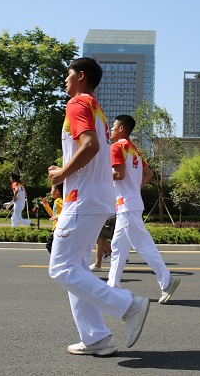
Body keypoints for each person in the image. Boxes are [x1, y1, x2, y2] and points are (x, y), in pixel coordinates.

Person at [47, 57, 149, 356]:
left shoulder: (78, 104)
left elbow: (89, 146)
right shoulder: (97, 110)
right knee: (76, 267)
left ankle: (129, 305)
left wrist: (62, 173)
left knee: (61, 267)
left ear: (80, 76)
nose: (65, 80)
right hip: (94, 197)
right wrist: (64, 171)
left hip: (83, 198)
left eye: (67, 75)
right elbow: (88, 148)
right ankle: (96, 338)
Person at [105, 114, 181, 304]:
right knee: (117, 247)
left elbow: (119, 174)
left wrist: (99, 175)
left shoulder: (116, 147)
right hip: (130, 203)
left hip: (126, 205)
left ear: (121, 129)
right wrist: (134, 188)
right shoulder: (133, 150)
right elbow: (147, 174)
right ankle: (112, 287)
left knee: (143, 245)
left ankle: (167, 281)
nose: (111, 130)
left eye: (113, 127)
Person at [42, 183, 63, 254]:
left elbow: (68, 210)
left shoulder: (58, 201)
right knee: (53, 246)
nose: (50, 192)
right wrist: (46, 206)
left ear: (57, 191)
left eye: (52, 190)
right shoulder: (57, 201)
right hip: (56, 228)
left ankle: (58, 260)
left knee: (49, 245)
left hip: (58, 228)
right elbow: (54, 215)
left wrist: (59, 216)